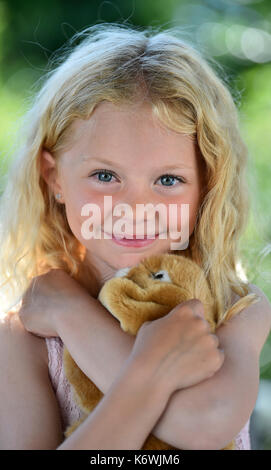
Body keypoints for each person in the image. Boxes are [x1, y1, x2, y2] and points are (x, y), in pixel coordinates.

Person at [0, 23, 270, 450]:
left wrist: (72, 313)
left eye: (168, 179)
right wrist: (151, 369)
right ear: (53, 178)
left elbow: (203, 424)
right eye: (105, 175)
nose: (133, 209)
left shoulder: (237, 309)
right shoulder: (25, 337)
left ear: (207, 185)